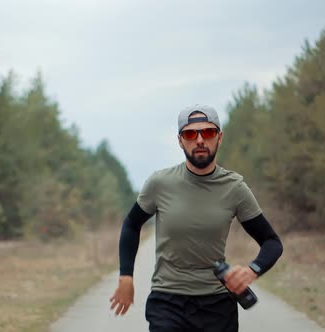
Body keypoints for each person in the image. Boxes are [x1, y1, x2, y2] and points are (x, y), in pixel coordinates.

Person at [109, 105, 283, 332]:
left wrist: (252, 270)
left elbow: (272, 242)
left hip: (218, 306)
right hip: (167, 301)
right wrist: (126, 277)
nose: (200, 140)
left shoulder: (235, 188)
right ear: (180, 141)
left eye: (208, 133)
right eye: (190, 134)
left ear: (219, 138)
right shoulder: (160, 183)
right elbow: (132, 224)